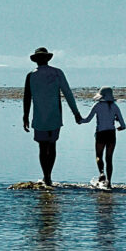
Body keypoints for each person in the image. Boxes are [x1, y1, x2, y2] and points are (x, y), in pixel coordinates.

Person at [22, 47, 82, 186]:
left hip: (39, 117)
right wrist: (76, 113)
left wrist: (25, 116)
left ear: (36, 60)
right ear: (47, 59)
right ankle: (48, 176)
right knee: (52, 145)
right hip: (54, 116)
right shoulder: (57, 73)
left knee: (43, 148)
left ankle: (46, 176)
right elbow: (68, 94)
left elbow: (27, 97)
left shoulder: (31, 75)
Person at [80, 86, 126, 189]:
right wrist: (119, 128)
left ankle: (101, 173)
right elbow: (123, 125)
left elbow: (87, 119)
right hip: (111, 134)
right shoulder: (114, 106)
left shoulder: (97, 106)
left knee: (99, 156)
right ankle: (109, 182)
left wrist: (79, 120)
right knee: (109, 159)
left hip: (101, 134)